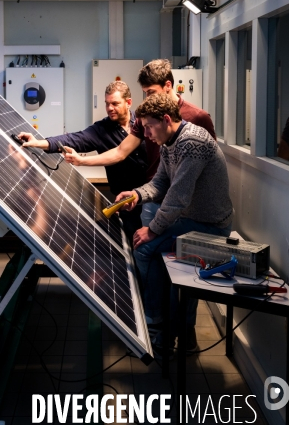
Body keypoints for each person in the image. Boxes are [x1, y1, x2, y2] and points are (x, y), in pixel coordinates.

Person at [116, 94, 233, 353]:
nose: (145, 134)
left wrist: (153, 229)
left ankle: (155, 324)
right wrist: (136, 194)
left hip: (210, 226)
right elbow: (160, 183)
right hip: (190, 221)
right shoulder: (171, 142)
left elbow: (178, 196)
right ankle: (165, 330)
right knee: (154, 253)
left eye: (148, 126)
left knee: (145, 247)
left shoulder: (192, 142)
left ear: (166, 120)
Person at [63, 59, 216, 226]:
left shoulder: (198, 118)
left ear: (168, 85)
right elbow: (120, 151)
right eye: (145, 93)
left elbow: (209, 166)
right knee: (144, 249)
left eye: (151, 92)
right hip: (154, 195)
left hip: (186, 205)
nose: (149, 133)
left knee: (163, 248)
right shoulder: (146, 119)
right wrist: (81, 160)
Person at [17, 80, 147, 240]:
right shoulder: (101, 130)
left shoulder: (145, 123)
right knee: (138, 246)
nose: (109, 108)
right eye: (107, 104)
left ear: (128, 103)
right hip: (127, 204)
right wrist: (38, 142)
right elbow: (73, 139)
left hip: (154, 197)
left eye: (115, 103)